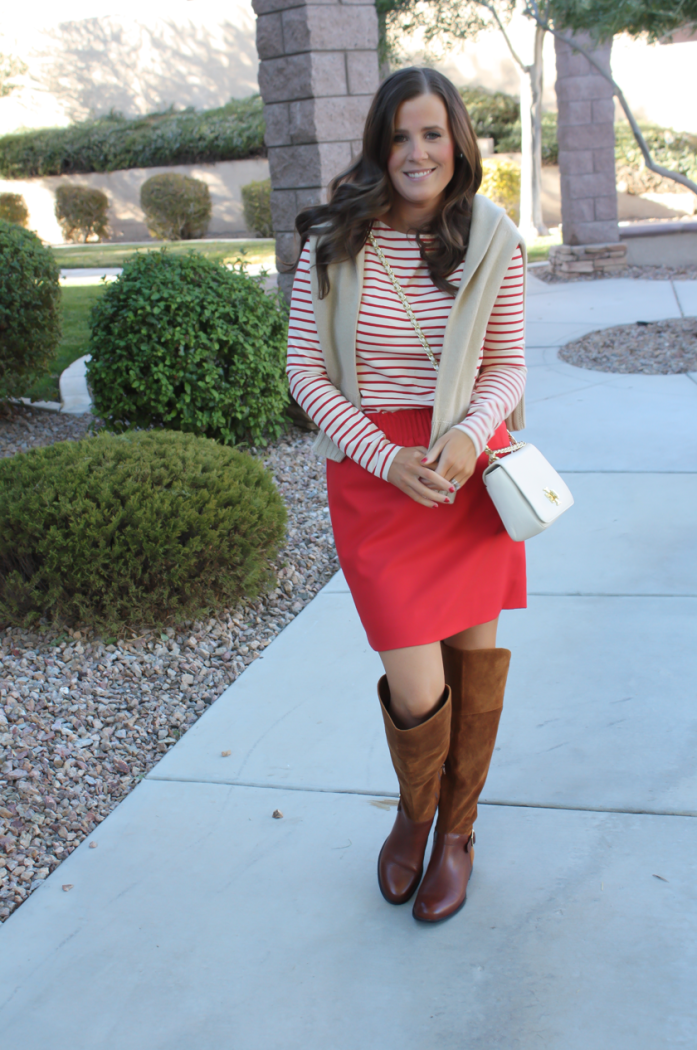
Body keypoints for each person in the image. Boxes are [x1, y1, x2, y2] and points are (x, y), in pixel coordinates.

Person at [286, 67, 527, 923]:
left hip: (464, 478)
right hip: (377, 482)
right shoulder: (335, 240)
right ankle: (415, 808)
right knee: (418, 685)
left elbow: (506, 366)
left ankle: (455, 834)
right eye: (399, 136)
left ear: (456, 140)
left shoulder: (493, 237)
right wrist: (384, 458)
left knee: (473, 668)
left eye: (431, 133)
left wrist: (464, 436)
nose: (415, 152)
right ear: (378, 145)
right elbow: (305, 374)